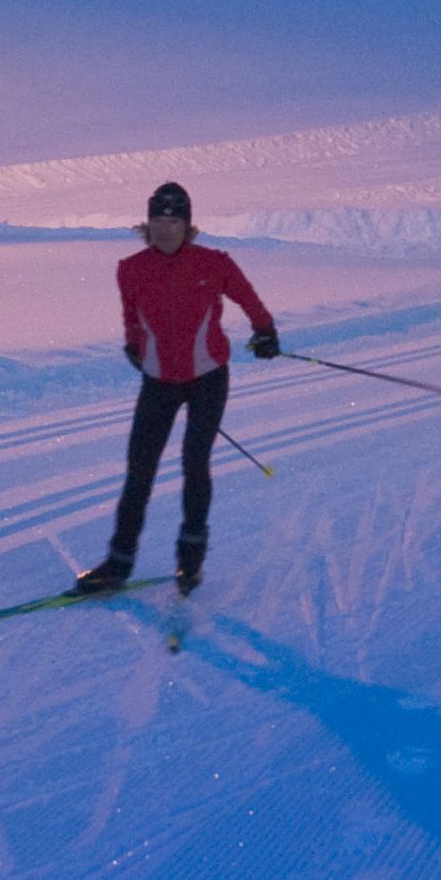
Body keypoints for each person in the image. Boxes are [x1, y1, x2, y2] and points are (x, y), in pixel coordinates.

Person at [78, 180, 277, 593]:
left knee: (194, 462)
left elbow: (248, 298)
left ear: (188, 225)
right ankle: (118, 564)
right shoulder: (130, 269)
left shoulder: (214, 262)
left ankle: (190, 561)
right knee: (139, 471)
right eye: (158, 220)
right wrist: (135, 346)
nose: (165, 228)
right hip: (159, 382)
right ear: (146, 224)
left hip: (208, 378)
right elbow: (131, 314)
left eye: (174, 220)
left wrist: (265, 331)